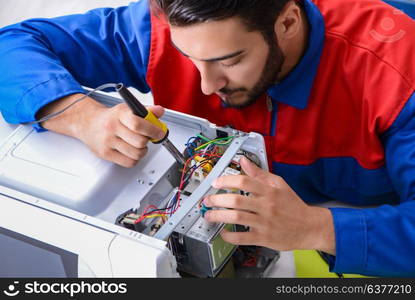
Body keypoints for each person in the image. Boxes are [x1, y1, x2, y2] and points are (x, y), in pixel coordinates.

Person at [0, 0, 414, 277]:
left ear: (287, 22)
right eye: (187, 58)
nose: (204, 86)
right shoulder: (162, 27)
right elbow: (15, 45)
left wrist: (316, 227)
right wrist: (81, 116)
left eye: (229, 61)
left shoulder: (398, 74)